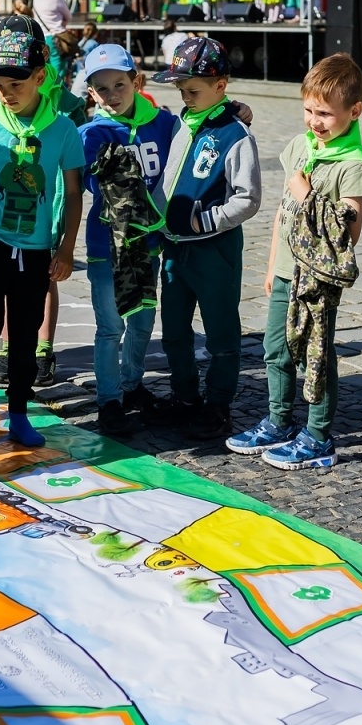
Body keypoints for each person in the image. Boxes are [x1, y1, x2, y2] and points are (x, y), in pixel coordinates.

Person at [229, 53, 362, 469]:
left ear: (354, 111)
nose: (315, 121)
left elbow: (347, 234)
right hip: (287, 270)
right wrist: (273, 263)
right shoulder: (299, 146)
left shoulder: (351, 164)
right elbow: (283, 212)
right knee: (276, 348)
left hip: (317, 279)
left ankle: (318, 435)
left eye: (325, 113)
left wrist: (306, 191)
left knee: (315, 355)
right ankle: (278, 421)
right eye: (309, 110)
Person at [0, 27, 84, 453]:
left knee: (25, 338)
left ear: (40, 77)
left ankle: (18, 414)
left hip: (35, 250)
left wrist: (65, 248)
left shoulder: (63, 129)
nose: (6, 93)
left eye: (16, 84)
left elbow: (73, 193)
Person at [146, 38, 262, 438]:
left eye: (193, 91)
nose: (186, 97)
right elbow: (170, 177)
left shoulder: (236, 135)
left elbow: (248, 199)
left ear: (221, 85)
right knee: (175, 330)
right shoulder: (184, 121)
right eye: (182, 91)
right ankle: (183, 395)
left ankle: (217, 404)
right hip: (175, 249)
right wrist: (156, 217)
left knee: (221, 333)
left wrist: (206, 220)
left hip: (214, 250)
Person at [78, 44, 178, 436]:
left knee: (141, 322)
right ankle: (109, 401)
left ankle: (132, 384)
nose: (112, 94)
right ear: (91, 94)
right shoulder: (89, 134)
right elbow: (80, 185)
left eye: (119, 84)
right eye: (102, 89)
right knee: (109, 328)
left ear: (136, 82)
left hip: (149, 246)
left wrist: (237, 108)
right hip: (107, 247)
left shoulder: (164, 125)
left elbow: (202, 122)